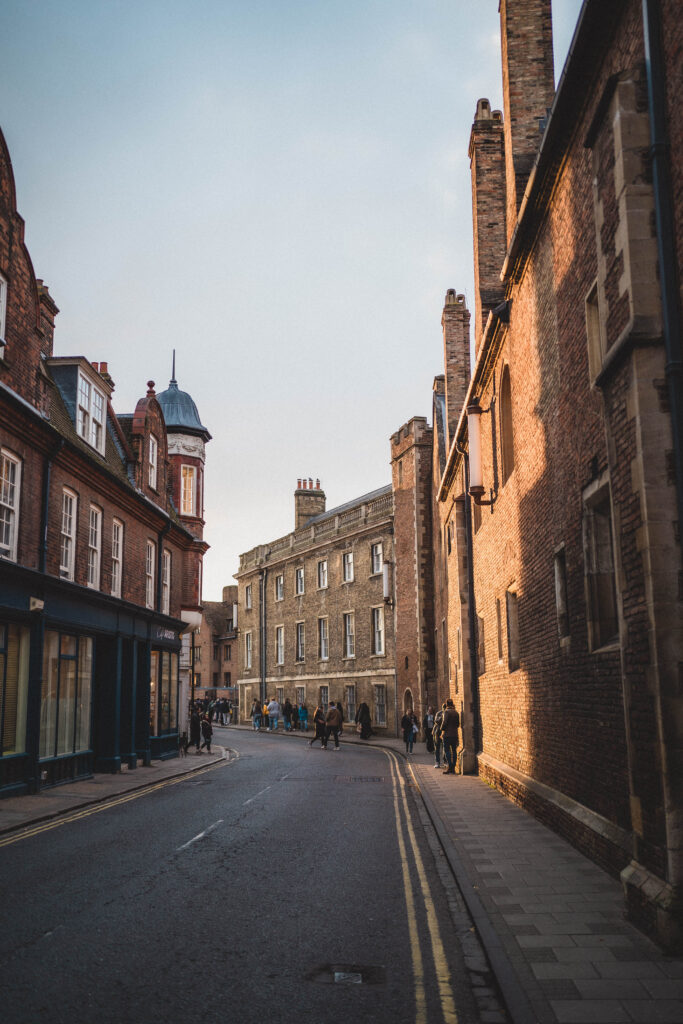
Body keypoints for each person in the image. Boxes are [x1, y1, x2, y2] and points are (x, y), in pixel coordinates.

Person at [441, 699, 460, 775]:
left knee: (447, 750)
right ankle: (453, 767)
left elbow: (444, 723)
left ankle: (450, 766)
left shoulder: (446, 712)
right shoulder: (456, 712)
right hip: (455, 735)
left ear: (447, 704)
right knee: (454, 751)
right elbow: (458, 724)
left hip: (447, 735)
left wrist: (441, 729)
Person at [432, 702, 446, 768]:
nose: (444, 709)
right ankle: (437, 762)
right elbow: (436, 721)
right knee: (437, 748)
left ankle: (445, 761)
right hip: (437, 732)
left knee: (444, 747)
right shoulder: (439, 713)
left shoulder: (448, 713)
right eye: (444, 708)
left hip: (444, 732)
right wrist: (442, 716)